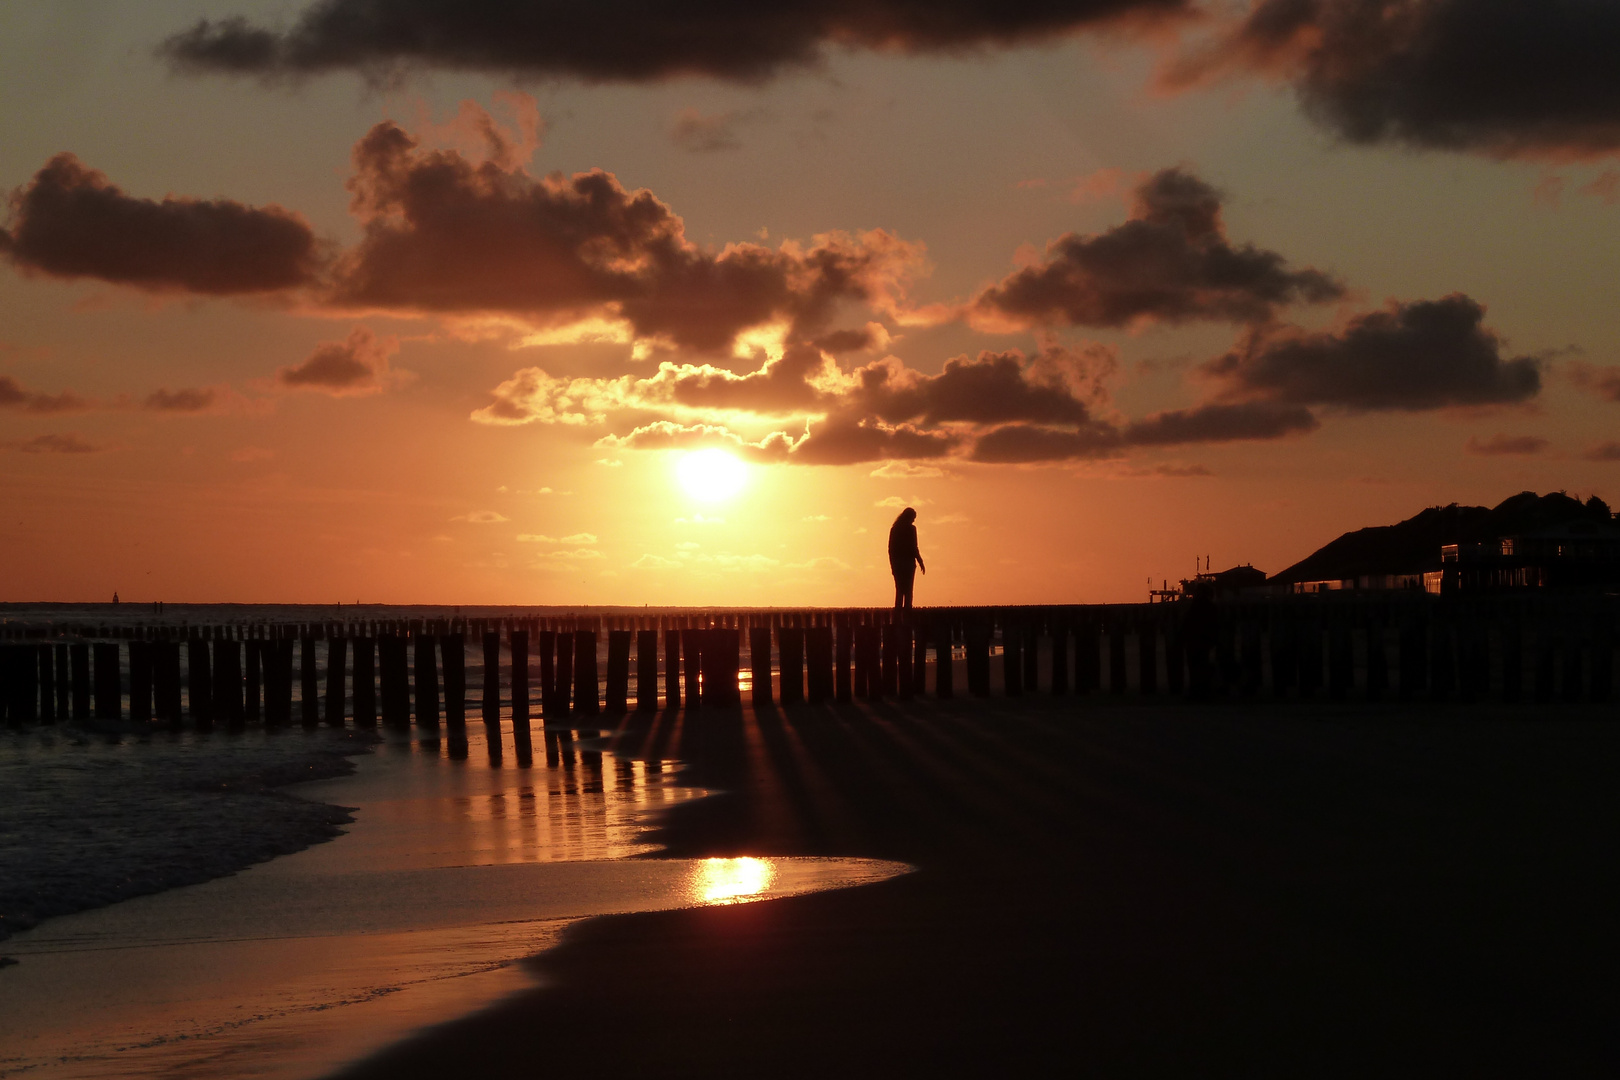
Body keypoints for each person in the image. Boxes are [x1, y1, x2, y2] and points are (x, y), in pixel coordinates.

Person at [888, 507, 926, 609]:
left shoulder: (894, 529)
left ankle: (899, 615)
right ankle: (906, 615)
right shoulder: (911, 529)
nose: (913, 520)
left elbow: (891, 550)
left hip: (899, 564)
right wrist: (920, 561)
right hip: (907, 564)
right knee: (908, 591)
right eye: (913, 518)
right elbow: (914, 547)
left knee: (900, 590)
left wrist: (893, 565)